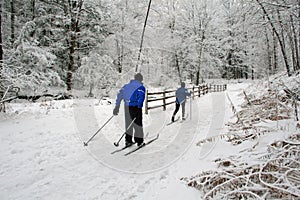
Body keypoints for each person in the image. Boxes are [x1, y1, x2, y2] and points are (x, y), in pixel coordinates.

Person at [113, 73, 146, 147]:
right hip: (136, 107)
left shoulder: (126, 86)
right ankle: (139, 141)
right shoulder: (141, 87)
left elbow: (119, 96)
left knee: (128, 124)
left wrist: (117, 106)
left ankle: (128, 140)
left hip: (127, 107)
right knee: (137, 124)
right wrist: (139, 106)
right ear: (141, 79)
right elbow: (141, 98)